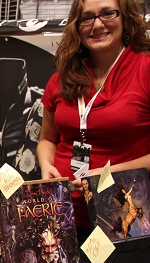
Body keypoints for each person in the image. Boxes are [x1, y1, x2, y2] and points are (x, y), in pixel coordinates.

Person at [36, 0, 150, 235]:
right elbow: (47, 139)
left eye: (107, 14)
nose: (97, 25)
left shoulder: (145, 69)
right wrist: (46, 165)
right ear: (77, 27)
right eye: (87, 18)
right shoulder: (62, 77)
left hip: (124, 219)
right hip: (63, 213)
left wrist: (106, 175)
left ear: (125, 17)